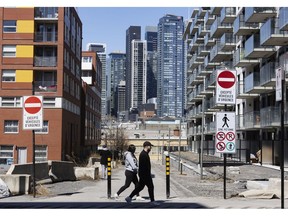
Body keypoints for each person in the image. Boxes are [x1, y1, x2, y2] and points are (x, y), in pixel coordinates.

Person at [125, 141, 160, 206]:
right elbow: (144, 166)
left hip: (143, 174)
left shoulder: (144, 154)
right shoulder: (143, 154)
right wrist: (147, 175)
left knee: (140, 187)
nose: (151, 148)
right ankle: (152, 201)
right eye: (150, 146)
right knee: (151, 186)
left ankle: (129, 197)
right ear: (147, 146)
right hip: (145, 174)